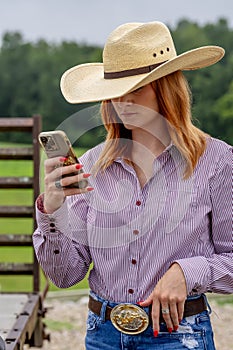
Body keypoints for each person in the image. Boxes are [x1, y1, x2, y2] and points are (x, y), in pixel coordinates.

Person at [33, 21, 232, 349]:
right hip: (102, 336)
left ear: (165, 88)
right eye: (116, 91)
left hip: (180, 335)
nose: (122, 101)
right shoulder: (91, 166)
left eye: (136, 88)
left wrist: (188, 271)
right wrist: (52, 210)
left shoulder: (217, 161)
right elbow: (65, 275)